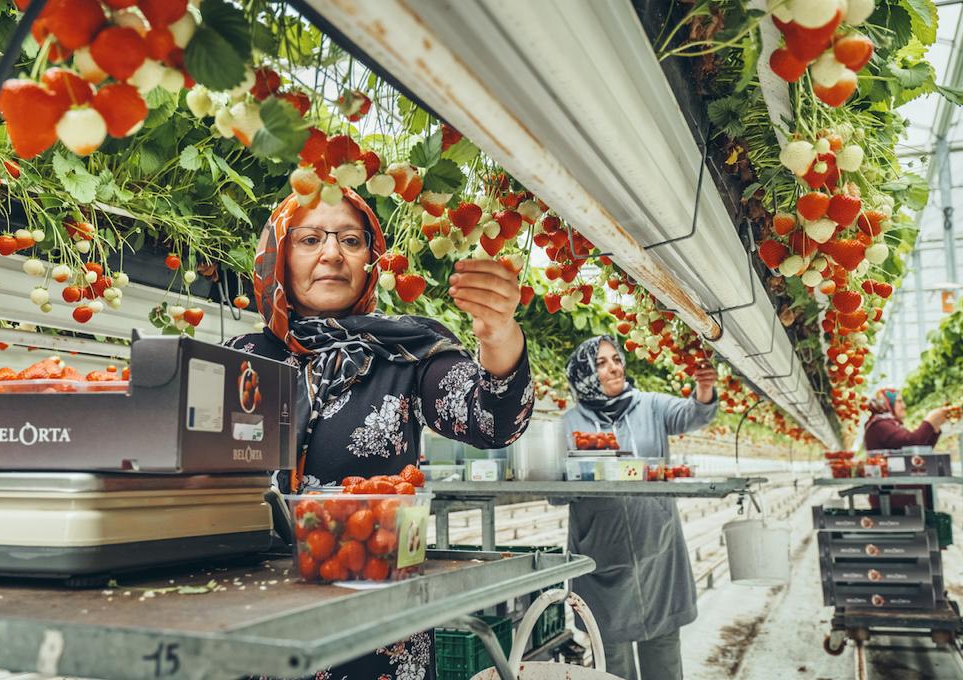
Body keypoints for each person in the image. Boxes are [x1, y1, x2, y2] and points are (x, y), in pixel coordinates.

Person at [226, 188, 535, 679]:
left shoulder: (407, 349)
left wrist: (499, 336)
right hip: (253, 624)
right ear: (279, 256)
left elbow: (492, 421)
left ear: (372, 259)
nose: (332, 253)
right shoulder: (240, 359)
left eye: (351, 240)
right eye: (309, 239)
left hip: (378, 633)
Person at [558, 336, 719, 680]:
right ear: (584, 373)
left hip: (657, 547)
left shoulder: (650, 406)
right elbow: (556, 492)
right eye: (601, 363)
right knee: (611, 656)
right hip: (601, 555)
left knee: (663, 648)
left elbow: (692, 414)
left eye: (615, 359)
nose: (614, 367)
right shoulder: (569, 425)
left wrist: (703, 390)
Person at [861, 387, 946, 451]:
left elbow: (921, 450)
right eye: (899, 401)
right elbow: (911, 442)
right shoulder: (880, 426)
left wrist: (935, 427)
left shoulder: (887, 424)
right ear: (887, 404)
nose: (904, 406)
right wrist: (929, 420)